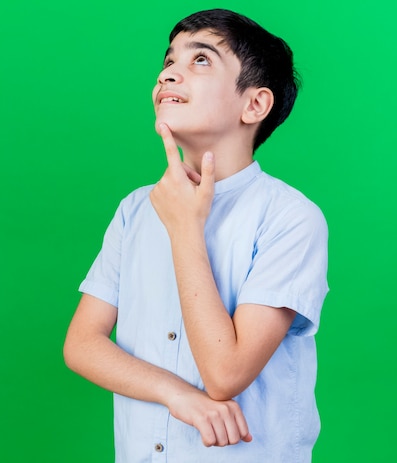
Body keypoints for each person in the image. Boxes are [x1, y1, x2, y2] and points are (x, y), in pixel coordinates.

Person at [64, 8, 328, 463]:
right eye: (168, 63)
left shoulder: (290, 218)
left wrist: (186, 227)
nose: (169, 75)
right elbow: (82, 344)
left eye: (200, 60)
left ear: (255, 105)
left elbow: (226, 374)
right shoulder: (135, 209)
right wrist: (175, 394)